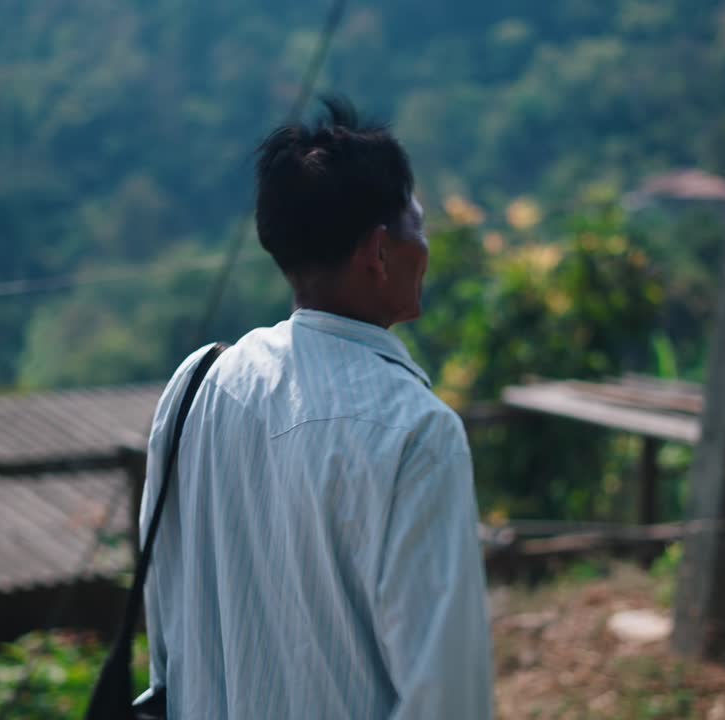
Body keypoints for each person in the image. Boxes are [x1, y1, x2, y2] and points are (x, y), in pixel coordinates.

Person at [137, 96, 492, 719]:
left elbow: (168, 630)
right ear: (379, 253)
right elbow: (445, 695)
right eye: (419, 224)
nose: (427, 246)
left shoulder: (198, 386)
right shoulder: (416, 432)